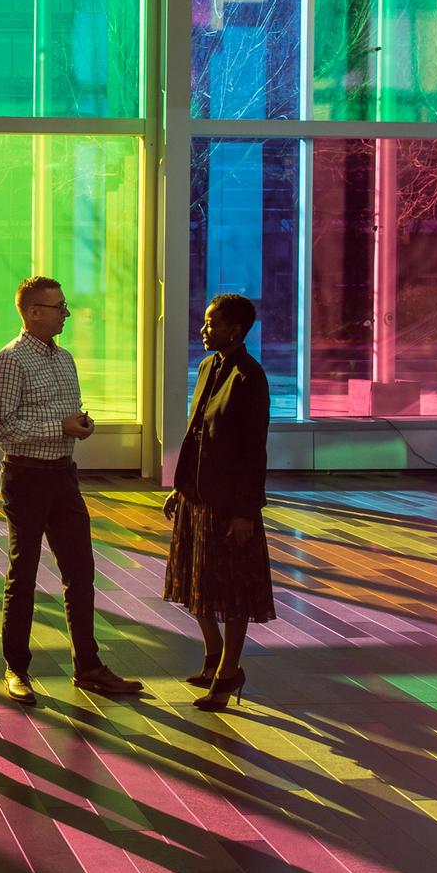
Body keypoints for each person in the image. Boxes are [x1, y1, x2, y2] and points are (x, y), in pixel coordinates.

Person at [0, 276, 147, 706]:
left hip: (63, 474)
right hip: (25, 477)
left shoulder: (65, 359)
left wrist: (79, 426)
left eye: (65, 305)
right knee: (24, 575)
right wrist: (59, 427)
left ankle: (88, 666)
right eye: (59, 307)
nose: (67, 313)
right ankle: (16, 669)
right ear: (33, 312)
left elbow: (62, 416)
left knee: (81, 572)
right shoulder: (10, 360)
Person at [164, 293, 274, 713]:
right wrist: (179, 487)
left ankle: (229, 672)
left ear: (236, 330)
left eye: (211, 323)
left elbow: (253, 450)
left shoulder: (250, 377)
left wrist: (246, 511)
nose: (203, 330)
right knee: (195, 586)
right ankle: (213, 657)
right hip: (197, 496)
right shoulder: (209, 367)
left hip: (229, 505)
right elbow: (196, 435)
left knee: (231, 592)